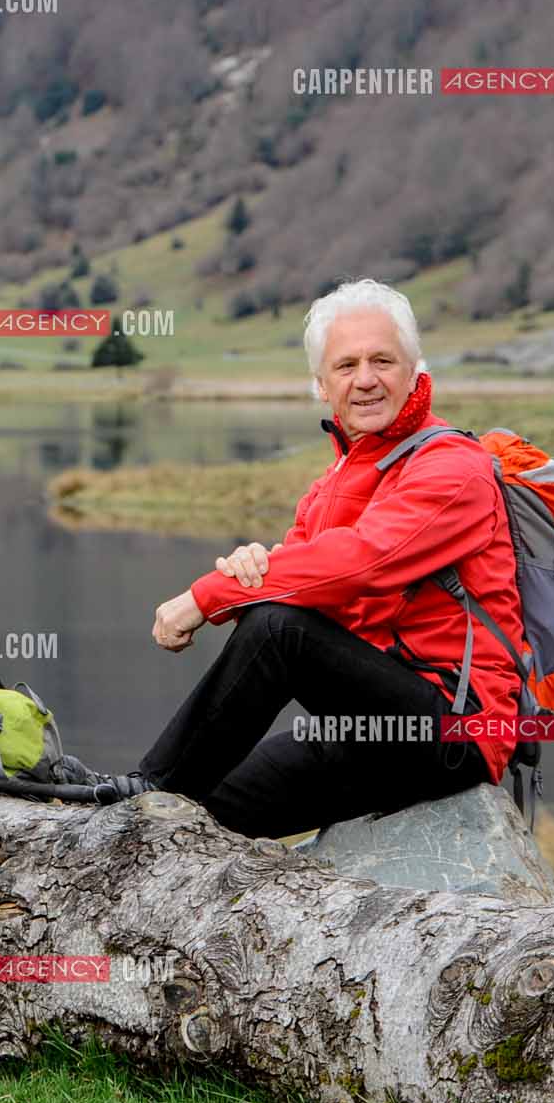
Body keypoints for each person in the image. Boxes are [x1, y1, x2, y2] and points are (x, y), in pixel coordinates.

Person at [113, 279, 527, 839]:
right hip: (367, 728)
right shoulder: (335, 481)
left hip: (457, 729)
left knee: (277, 629)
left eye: (383, 361)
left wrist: (208, 596)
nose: (366, 379)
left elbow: (360, 563)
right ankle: (146, 811)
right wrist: (249, 568)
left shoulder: (453, 467)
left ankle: (146, 792)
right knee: (205, 810)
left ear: (414, 372)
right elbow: (300, 584)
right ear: (321, 385)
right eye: (346, 365)